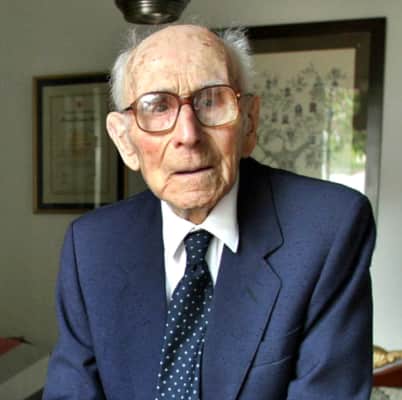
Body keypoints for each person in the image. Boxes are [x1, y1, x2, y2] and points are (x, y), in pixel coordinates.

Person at [43, 24, 376, 400]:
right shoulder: (92, 246)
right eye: (158, 106)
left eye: (211, 101)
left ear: (249, 121)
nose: (188, 135)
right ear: (125, 141)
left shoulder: (329, 229)